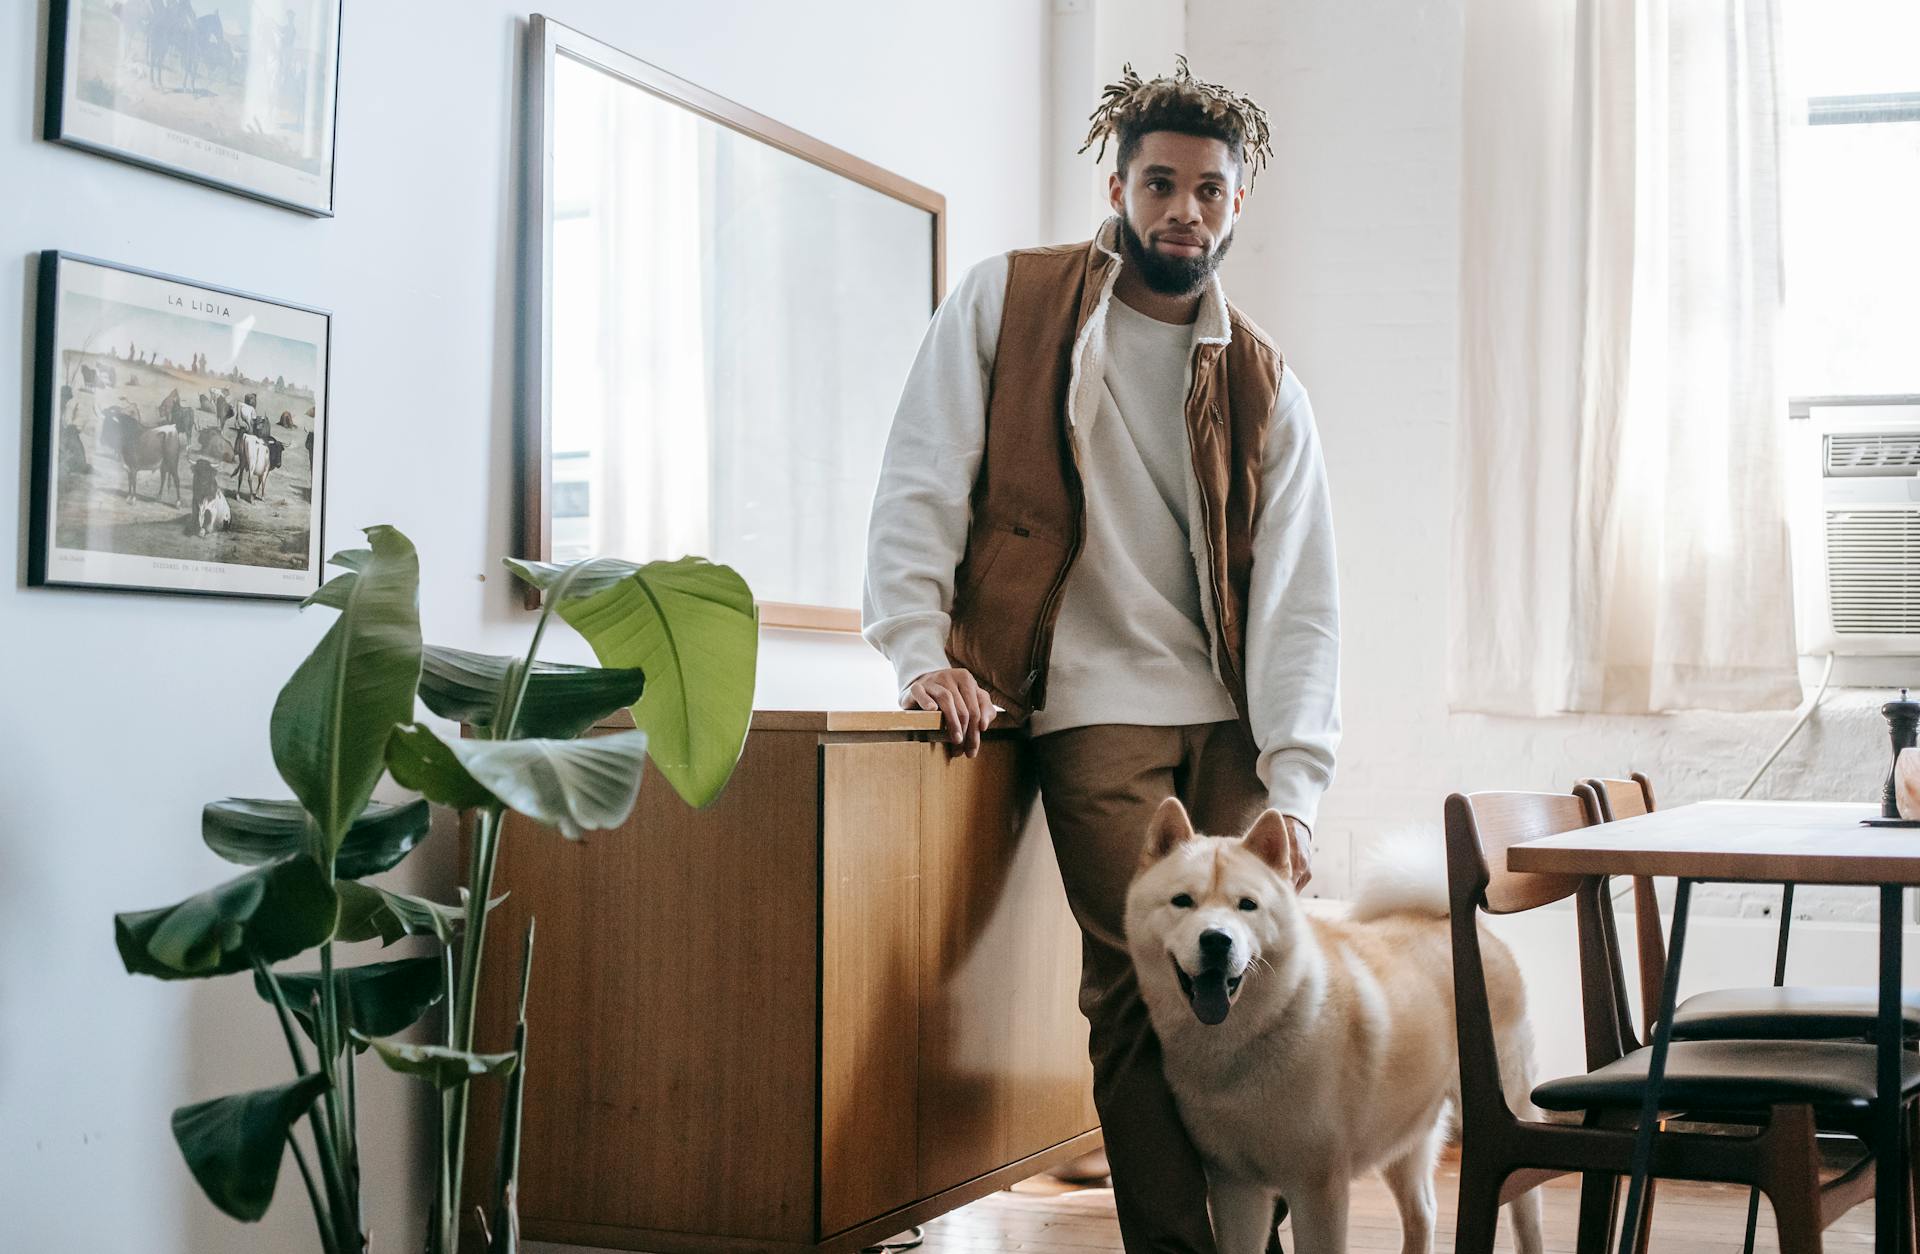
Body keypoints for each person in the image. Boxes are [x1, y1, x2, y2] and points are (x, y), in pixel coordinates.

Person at [861, 58, 1341, 1252]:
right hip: (1092, 707)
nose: (1186, 209)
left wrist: (1300, 779)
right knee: (1140, 991)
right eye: (1162, 183)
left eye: (1211, 191)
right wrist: (919, 647)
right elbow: (921, 478)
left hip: (1230, 715)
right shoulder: (1010, 304)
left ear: (1238, 207)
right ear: (1117, 186)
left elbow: (1301, 597)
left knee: (1262, 999)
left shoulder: (1263, 380)